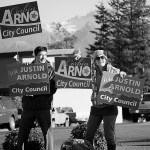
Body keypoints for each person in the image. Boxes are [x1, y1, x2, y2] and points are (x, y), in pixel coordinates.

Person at [85, 50, 126, 150]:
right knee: (88, 136)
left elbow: (122, 77)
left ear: (106, 59)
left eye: (102, 57)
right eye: (98, 58)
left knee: (109, 137)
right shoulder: (90, 71)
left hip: (109, 107)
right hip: (96, 107)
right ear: (94, 61)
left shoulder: (113, 70)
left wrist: (122, 74)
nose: (100, 60)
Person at [17, 46, 57, 150]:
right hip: (28, 107)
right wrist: (26, 91)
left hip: (44, 107)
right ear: (35, 56)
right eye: (40, 55)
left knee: (48, 134)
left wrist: (45, 88)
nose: (43, 57)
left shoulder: (50, 70)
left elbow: (54, 89)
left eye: (45, 55)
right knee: (22, 134)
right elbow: (20, 85)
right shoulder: (26, 68)